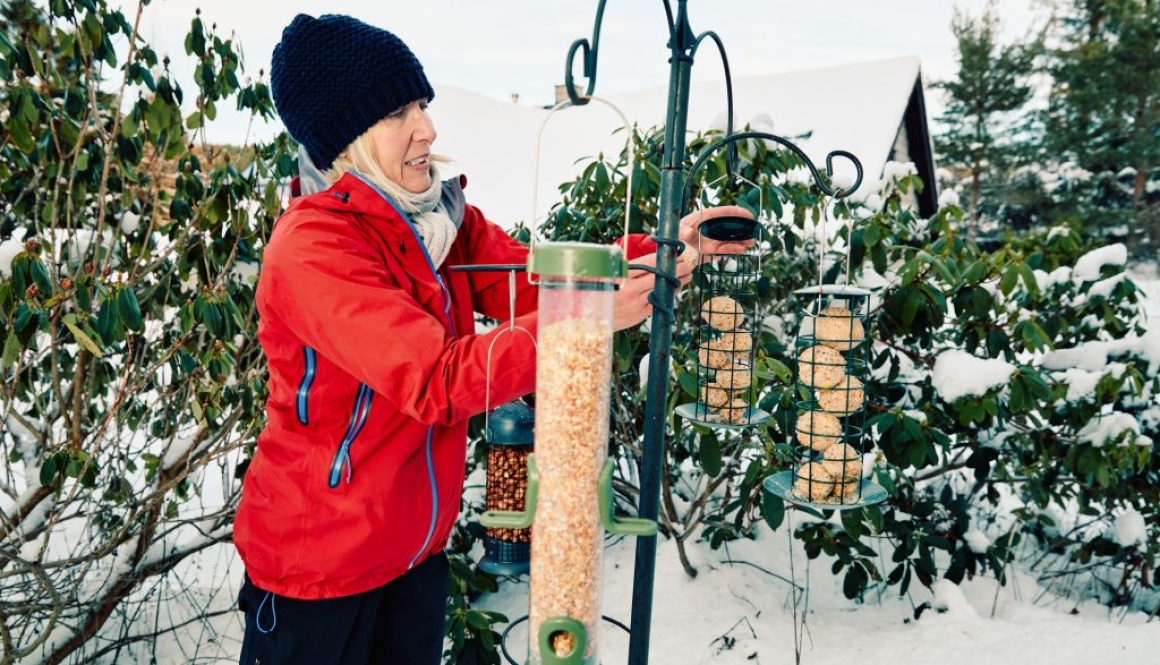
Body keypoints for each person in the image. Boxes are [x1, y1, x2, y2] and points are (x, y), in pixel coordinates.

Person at [233, 13, 753, 665]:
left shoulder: (442, 220)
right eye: (400, 112)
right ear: (348, 138)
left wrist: (667, 247)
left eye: (422, 103)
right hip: (319, 577)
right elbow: (435, 379)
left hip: (415, 558)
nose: (428, 127)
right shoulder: (314, 247)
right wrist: (585, 322)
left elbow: (538, 284)